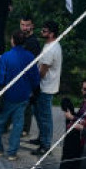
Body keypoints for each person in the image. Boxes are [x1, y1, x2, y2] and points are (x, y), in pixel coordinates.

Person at [0, 30, 41, 160]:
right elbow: (35, 78)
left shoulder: (6, 56)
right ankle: (12, 152)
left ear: (12, 41)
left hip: (7, 95)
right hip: (23, 95)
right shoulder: (30, 57)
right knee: (18, 124)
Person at [31, 20, 63, 157]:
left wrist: (32, 81)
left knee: (44, 117)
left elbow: (42, 72)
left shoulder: (51, 50)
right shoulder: (51, 45)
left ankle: (45, 144)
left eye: (44, 31)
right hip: (46, 86)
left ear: (52, 34)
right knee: (39, 113)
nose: (41, 32)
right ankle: (42, 137)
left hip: (45, 87)